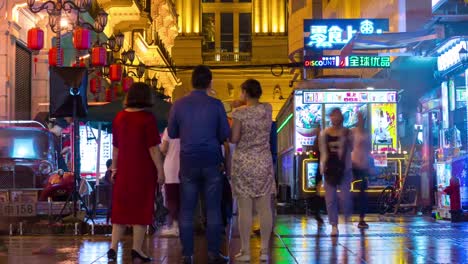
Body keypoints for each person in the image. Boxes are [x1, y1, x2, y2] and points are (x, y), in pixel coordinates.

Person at [168, 65, 230, 264]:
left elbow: (172, 133)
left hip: (188, 161)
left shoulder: (178, 105)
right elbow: (224, 135)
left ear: (191, 82)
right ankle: (213, 253)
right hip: (212, 160)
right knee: (213, 209)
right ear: (209, 83)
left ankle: (188, 255)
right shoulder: (217, 105)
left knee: (187, 209)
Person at [107, 82, 165, 263]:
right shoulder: (147, 119)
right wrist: (160, 171)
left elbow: (115, 148)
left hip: (123, 170)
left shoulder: (119, 118)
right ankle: (137, 249)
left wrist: (113, 168)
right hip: (143, 171)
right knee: (141, 208)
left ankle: (112, 247)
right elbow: (154, 149)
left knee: (121, 208)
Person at [230, 79, 275, 262]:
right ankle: (264, 251)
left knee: (244, 209)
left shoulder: (239, 114)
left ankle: (246, 251)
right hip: (263, 162)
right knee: (265, 208)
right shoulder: (267, 109)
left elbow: (234, 138)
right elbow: (259, 105)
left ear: (245, 92)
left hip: (244, 163)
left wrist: (237, 108)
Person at [319, 108, 353, 236]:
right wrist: (322, 168)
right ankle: (334, 225)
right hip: (330, 168)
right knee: (331, 199)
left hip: (345, 168)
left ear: (341, 117)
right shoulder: (324, 133)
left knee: (345, 198)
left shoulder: (347, 132)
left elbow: (352, 148)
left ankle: (346, 219)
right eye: (333, 115)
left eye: (337, 115)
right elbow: (323, 151)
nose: (335, 118)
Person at [159, 127, 181, 236]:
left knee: (172, 199)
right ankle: (184, 226)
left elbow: (163, 149)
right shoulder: (188, 126)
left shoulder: (169, 130)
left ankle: (175, 226)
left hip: (172, 168)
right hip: (186, 168)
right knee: (184, 199)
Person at [351, 112, 371, 229]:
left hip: (363, 165)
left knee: (363, 193)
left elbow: (368, 149)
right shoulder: (352, 132)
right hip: (353, 164)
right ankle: (356, 215)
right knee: (353, 191)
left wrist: (369, 164)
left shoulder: (367, 133)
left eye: (361, 118)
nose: (360, 120)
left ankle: (361, 218)